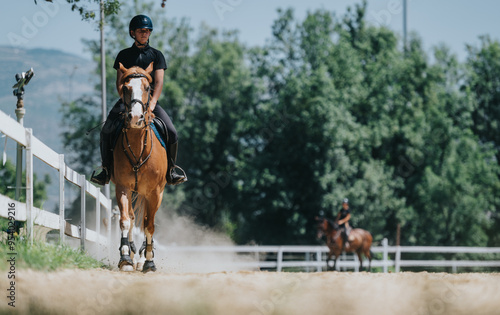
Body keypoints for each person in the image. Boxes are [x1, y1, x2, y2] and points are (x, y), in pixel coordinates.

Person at [91, 14, 187, 186]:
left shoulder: (157, 55)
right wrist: (126, 101)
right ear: (132, 32)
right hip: (127, 100)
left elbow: (158, 82)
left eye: (148, 30)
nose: (145, 33)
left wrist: (152, 103)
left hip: (149, 101)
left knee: (172, 131)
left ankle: (171, 170)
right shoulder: (123, 55)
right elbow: (120, 83)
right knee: (106, 130)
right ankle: (106, 170)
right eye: (141, 31)